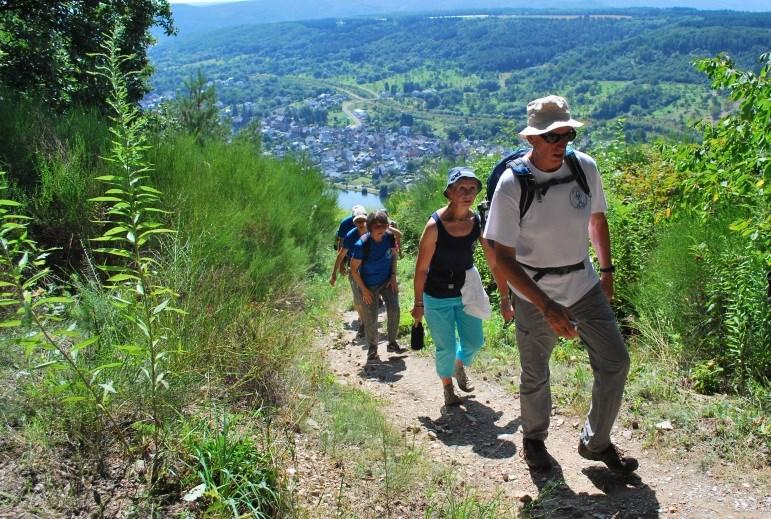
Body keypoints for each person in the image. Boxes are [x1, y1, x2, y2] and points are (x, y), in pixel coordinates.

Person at [483, 95, 638, 475]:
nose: (561, 143)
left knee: (615, 361)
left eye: (566, 134)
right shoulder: (511, 184)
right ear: (532, 139)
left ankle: (595, 442)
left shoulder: (585, 168)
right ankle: (534, 440)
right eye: (552, 136)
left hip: (583, 283)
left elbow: (597, 222)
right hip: (534, 290)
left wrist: (607, 272)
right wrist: (545, 305)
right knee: (536, 372)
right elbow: (502, 256)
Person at [411, 167, 514, 407]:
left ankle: (458, 364)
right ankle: (447, 386)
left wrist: (505, 297)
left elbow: (494, 261)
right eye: (461, 188)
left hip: (466, 290)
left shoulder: (476, 221)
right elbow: (421, 269)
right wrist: (418, 303)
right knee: (445, 345)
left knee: (474, 342)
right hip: (436, 294)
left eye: (472, 188)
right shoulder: (434, 226)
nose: (468, 193)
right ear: (449, 192)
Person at [350, 210, 406, 361]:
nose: (381, 233)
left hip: (387, 280)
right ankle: (373, 348)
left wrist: (393, 276)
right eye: (377, 230)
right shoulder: (361, 244)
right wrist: (364, 291)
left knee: (394, 309)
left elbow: (394, 255)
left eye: (384, 229)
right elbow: (353, 270)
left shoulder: (389, 237)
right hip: (369, 285)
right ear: (369, 228)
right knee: (371, 318)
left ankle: (392, 343)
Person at [330, 206, 369, 337]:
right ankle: (364, 322)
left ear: (367, 220)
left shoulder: (374, 231)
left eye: (363, 220)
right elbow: (341, 255)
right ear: (354, 222)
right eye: (358, 221)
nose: (361, 224)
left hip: (371, 268)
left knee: (370, 296)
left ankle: (368, 322)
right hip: (355, 268)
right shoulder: (350, 235)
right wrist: (334, 273)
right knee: (358, 299)